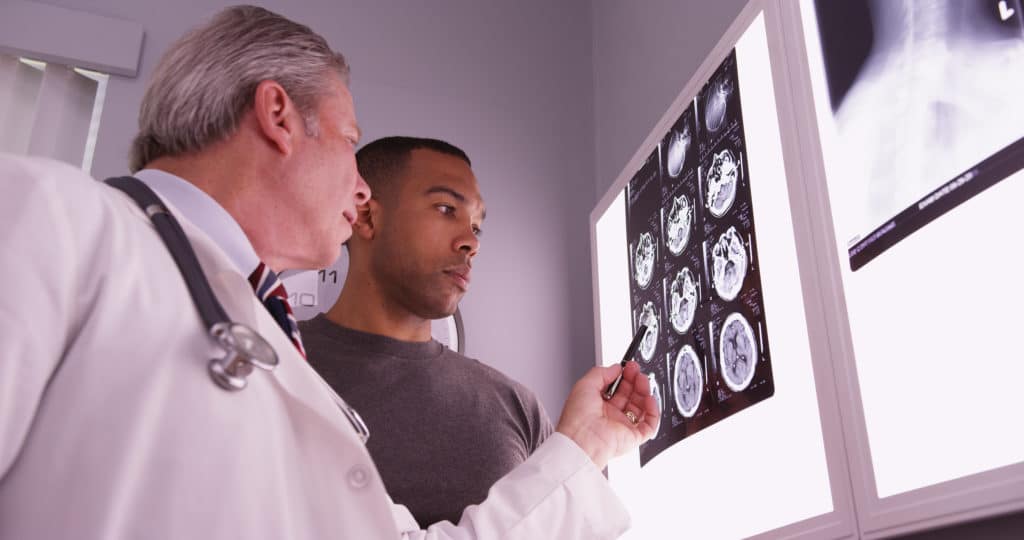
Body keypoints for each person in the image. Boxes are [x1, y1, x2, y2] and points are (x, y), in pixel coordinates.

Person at [0, 5, 659, 539]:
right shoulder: (43, 215)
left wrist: (586, 444)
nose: (361, 189)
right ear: (278, 116)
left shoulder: (274, 354)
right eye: (350, 141)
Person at [299, 136, 553, 525]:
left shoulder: (518, 408)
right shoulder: (275, 365)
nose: (470, 242)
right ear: (366, 217)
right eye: (446, 208)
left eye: (476, 227)